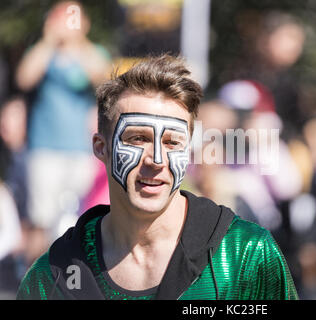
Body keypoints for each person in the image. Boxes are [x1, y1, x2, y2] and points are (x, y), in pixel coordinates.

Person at [16, 54, 298, 300]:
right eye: (138, 139)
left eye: (173, 142)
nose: (157, 161)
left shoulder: (244, 255)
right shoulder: (53, 276)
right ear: (101, 148)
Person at [15, 1, 110, 240]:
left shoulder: (92, 52)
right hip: (44, 147)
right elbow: (24, 78)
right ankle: (38, 273)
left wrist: (77, 42)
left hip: (82, 149)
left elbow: (105, 78)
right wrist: (49, 41)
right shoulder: (43, 53)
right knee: (41, 218)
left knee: (81, 216)